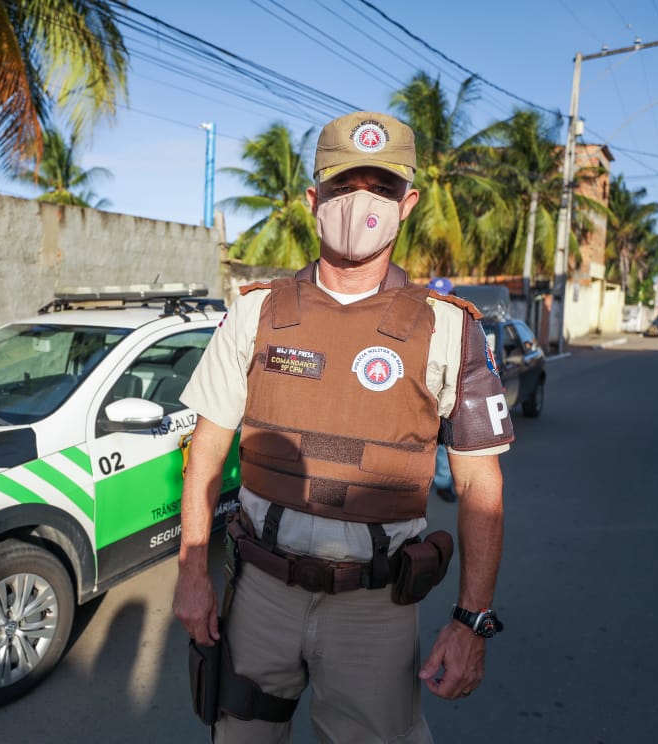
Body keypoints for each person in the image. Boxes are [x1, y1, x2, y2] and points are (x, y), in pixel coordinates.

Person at [173, 111, 515, 743]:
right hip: (258, 596)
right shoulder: (255, 313)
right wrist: (192, 573)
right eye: (342, 184)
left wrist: (472, 620)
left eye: (381, 187)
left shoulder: (449, 328)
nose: (361, 201)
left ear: (407, 203)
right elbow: (206, 455)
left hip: (375, 611)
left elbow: (480, 488)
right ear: (314, 198)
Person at [427, 278, 457, 504]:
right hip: (420, 397)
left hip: (445, 396)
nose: (438, 300)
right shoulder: (418, 320)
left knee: (443, 447)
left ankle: (444, 484)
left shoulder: (459, 323)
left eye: (443, 295)